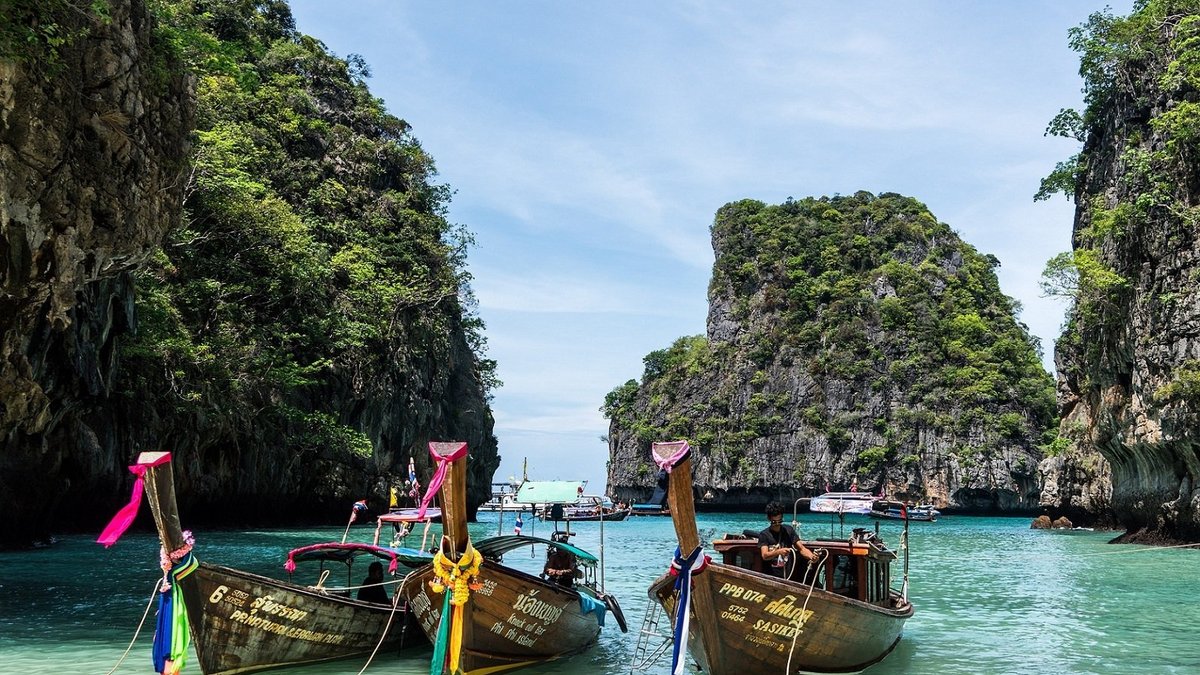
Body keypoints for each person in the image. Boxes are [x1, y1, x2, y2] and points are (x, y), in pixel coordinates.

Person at [758, 502, 818, 580]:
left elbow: (802, 549)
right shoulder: (764, 534)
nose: (777, 524)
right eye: (774, 522)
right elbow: (765, 555)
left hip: (787, 576)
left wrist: (812, 557)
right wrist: (778, 552)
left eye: (779, 521)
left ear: (782, 518)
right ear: (769, 519)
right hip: (771, 577)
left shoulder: (788, 530)